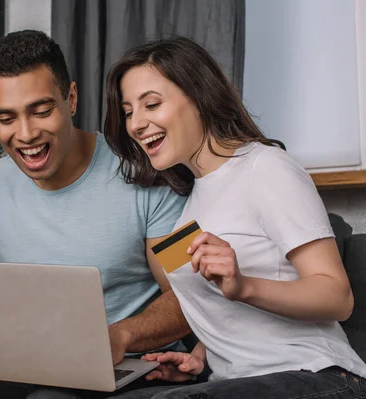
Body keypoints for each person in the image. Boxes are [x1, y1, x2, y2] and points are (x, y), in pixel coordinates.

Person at [0, 30, 191, 399]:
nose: (26, 134)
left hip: (123, 363)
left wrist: (119, 335)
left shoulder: (145, 173)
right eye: (6, 118)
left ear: (70, 99)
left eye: (41, 111)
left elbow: (190, 295)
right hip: (26, 360)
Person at [101, 36, 366, 399]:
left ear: (198, 97)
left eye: (151, 104)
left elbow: (337, 297)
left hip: (320, 375)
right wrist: (201, 357)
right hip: (235, 382)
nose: (136, 124)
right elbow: (229, 319)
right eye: (129, 111)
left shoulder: (266, 167)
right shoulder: (190, 209)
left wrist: (244, 286)